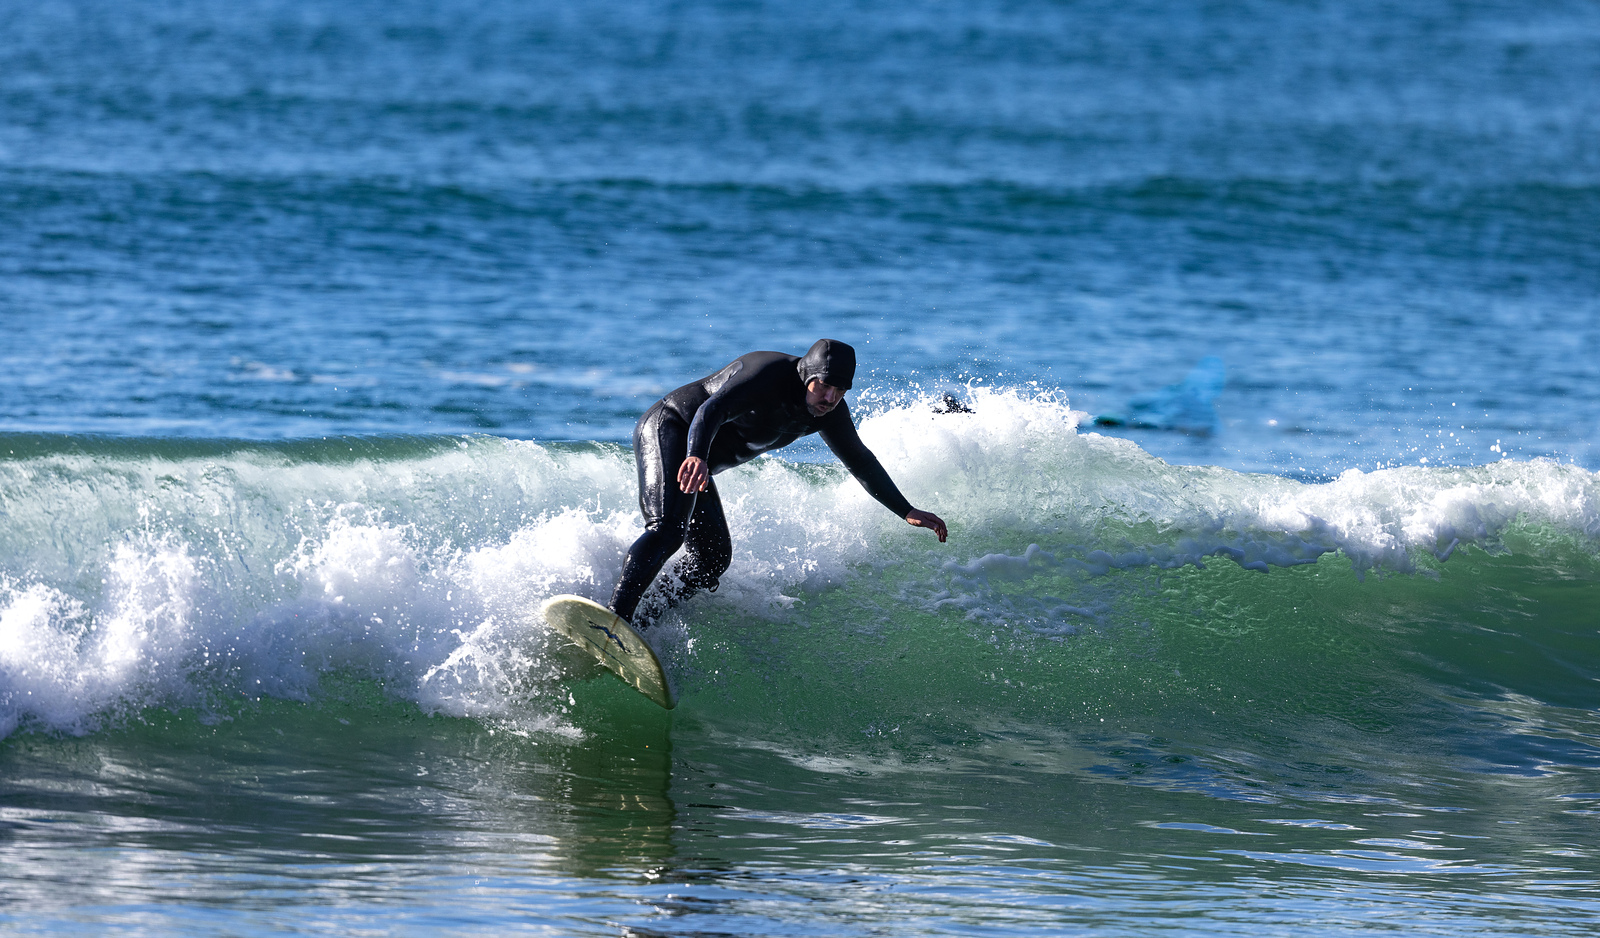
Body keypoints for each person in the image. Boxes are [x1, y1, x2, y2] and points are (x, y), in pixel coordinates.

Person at [609, 339, 948, 625]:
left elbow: (859, 460)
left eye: (840, 391)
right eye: (824, 386)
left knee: (712, 559)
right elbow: (711, 410)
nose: (830, 398)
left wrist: (905, 510)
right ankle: (614, 619)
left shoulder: (829, 413)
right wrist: (696, 454)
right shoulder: (766, 374)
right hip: (673, 429)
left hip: (701, 461)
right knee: (668, 529)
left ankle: (644, 619)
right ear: (807, 376)